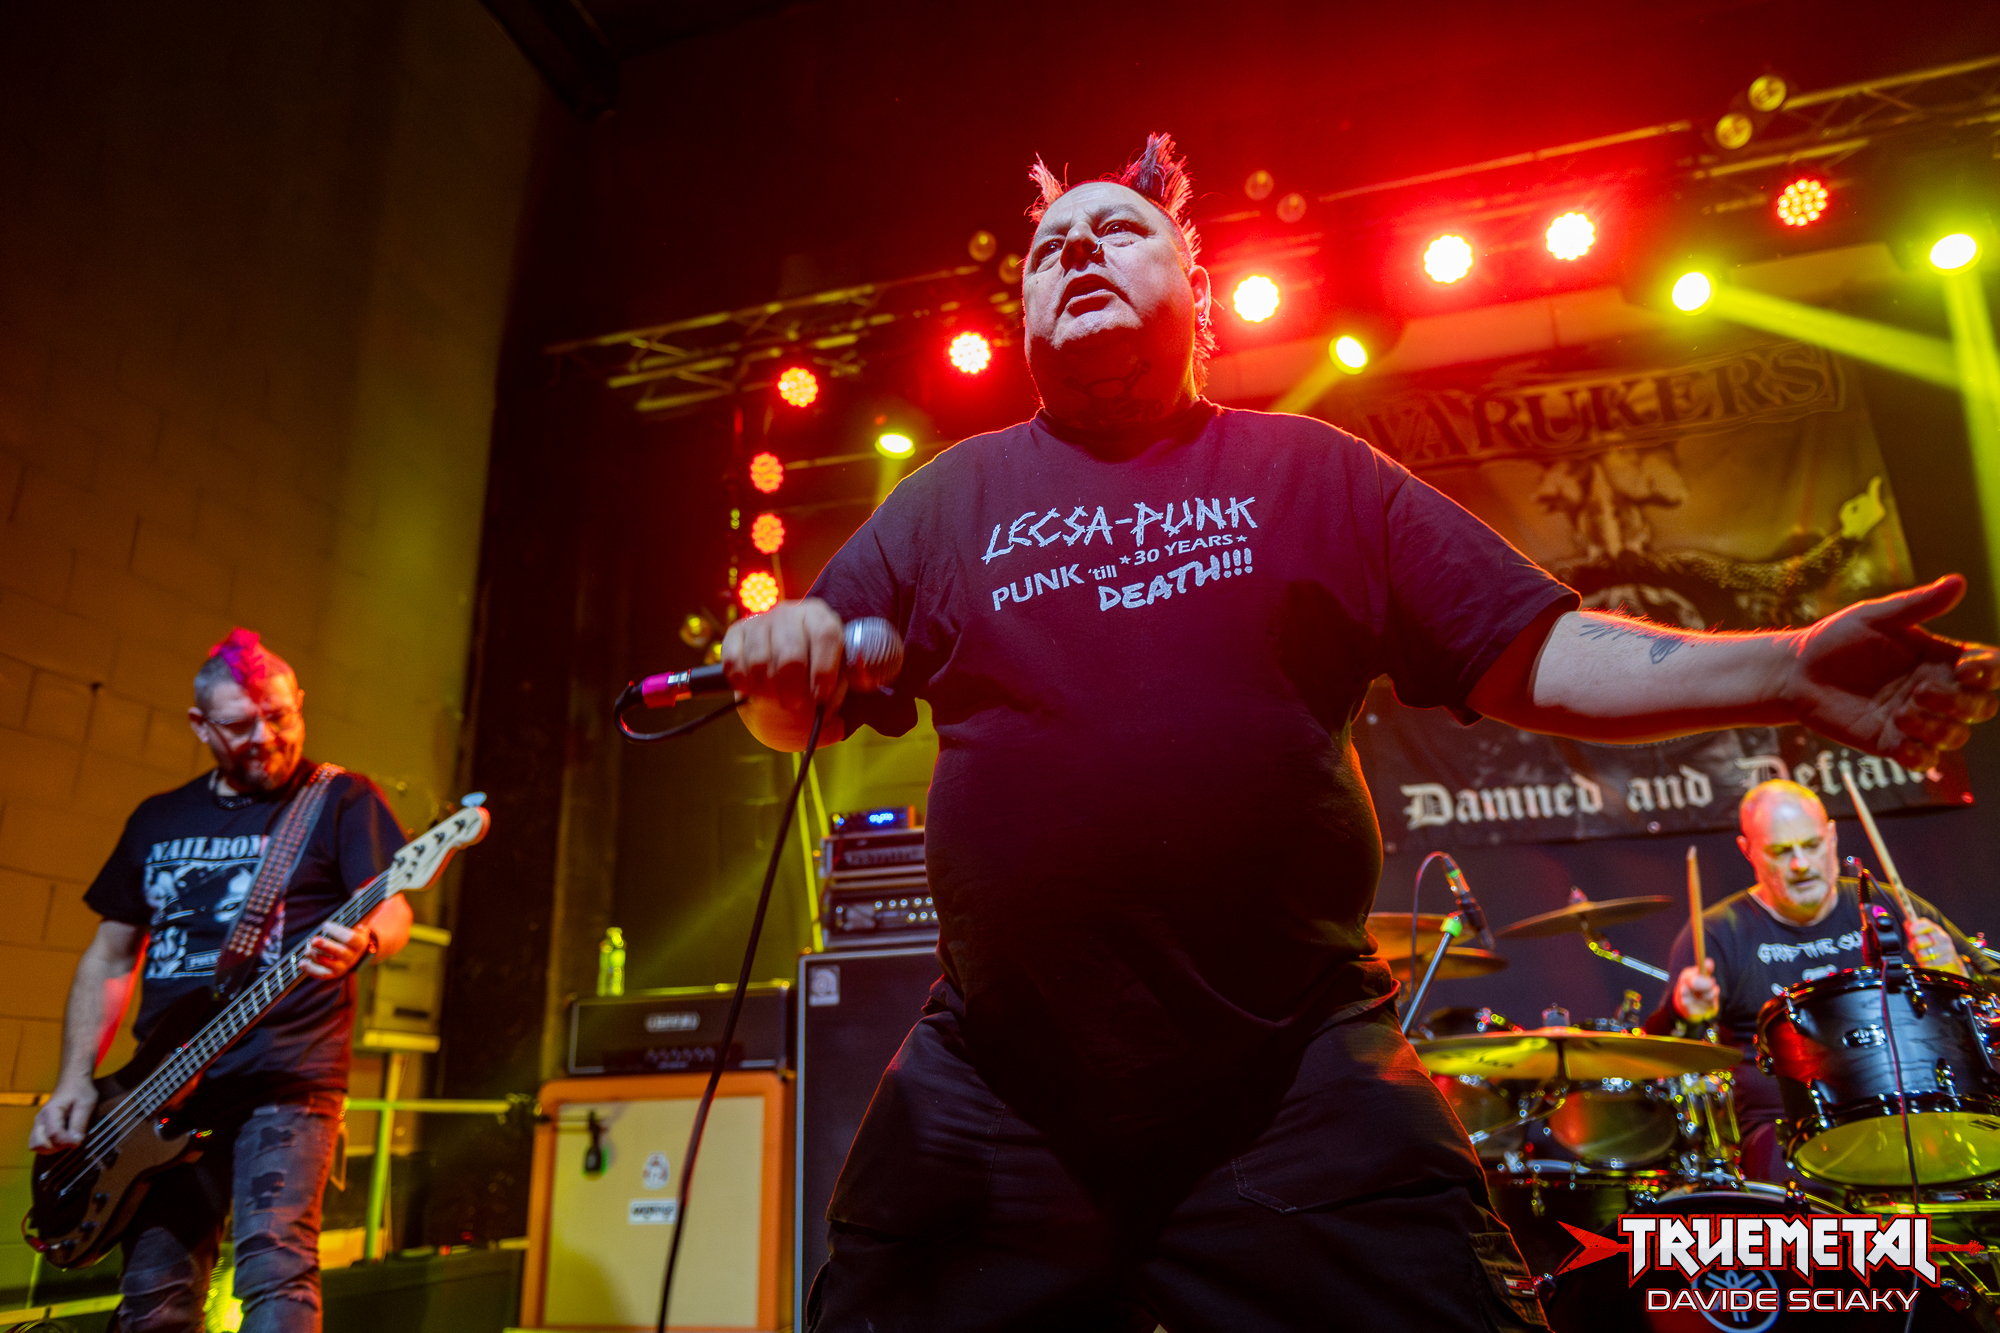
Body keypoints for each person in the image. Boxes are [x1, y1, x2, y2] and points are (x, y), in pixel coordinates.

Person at [720, 134, 2000, 1332]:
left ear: (1196, 292)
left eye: (1114, 231)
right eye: (1050, 247)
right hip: (1003, 1078)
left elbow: (1529, 652)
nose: (1076, 253)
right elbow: (795, 706)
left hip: (1288, 1070)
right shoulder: (945, 503)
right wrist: (780, 668)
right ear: (1023, 319)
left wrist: (1784, 667)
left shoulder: (1310, 474)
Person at [28, 629, 412, 1333]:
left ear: (299, 704)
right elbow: (109, 956)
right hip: (160, 1090)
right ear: (200, 725)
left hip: (287, 1076)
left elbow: (392, 907)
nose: (266, 738)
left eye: (280, 716)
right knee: (154, 1297)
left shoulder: (340, 799)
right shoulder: (159, 817)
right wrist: (75, 1079)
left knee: (275, 1265)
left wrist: (361, 943)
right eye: (240, 725)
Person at [1649, 778, 1992, 1184]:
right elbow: (1661, 1049)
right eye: (1781, 851)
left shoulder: (1892, 908)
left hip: (1912, 1110)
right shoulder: (1718, 933)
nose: (1800, 864)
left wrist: (1958, 970)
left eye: (1811, 845)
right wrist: (1683, 1013)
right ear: (1748, 850)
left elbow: (1990, 999)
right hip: (1786, 1129)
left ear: (1831, 837)